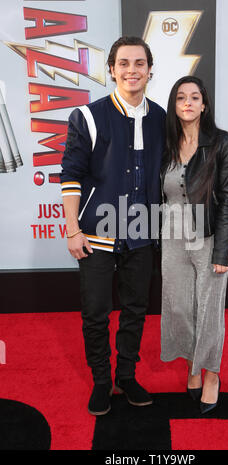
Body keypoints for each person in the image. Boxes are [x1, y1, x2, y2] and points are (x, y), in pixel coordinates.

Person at [60, 36, 166, 415]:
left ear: (150, 71)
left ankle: (126, 376)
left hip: (141, 234)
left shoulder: (160, 118)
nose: (131, 70)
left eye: (139, 63)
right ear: (111, 70)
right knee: (96, 313)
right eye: (124, 63)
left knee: (136, 309)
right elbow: (70, 177)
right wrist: (72, 230)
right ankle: (101, 382)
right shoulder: (87, 116)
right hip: (94, 234)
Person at [160, 76, 228, 414]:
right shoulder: (166, 144)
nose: (188, 103)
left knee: (209, 310)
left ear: (204, 104)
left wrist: (223, 252)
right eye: (181, 98)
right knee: (179, 307)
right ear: (174, 106)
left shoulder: (223, 143)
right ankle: (192, 363)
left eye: (195, 97)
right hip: (171, 237)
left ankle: (210, 375)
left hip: (207, 238)